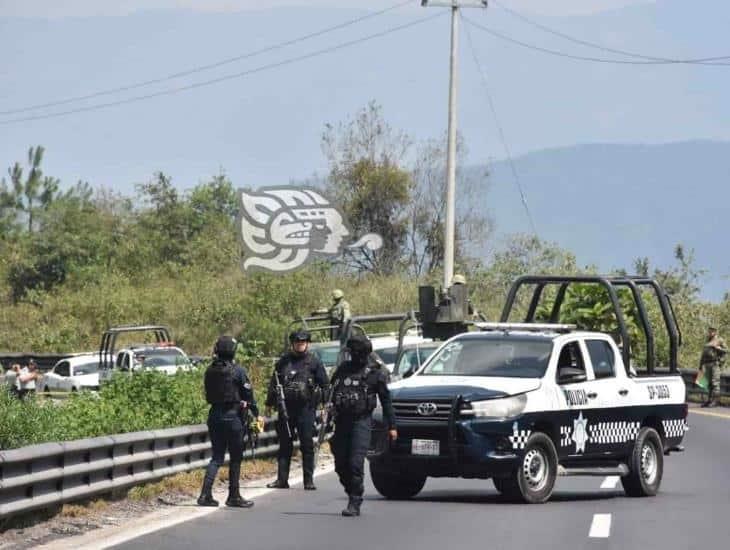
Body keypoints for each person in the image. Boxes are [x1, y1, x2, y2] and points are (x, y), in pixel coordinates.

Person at [330, 333, 397, 517]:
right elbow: (329, 392)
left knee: (355, 462)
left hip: (362, 422)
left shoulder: (375, 373)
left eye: (352, 352)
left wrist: (392, 426)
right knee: (340, 463)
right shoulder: (343, 370)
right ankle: (351, 489)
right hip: (342, 422)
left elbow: (387, 402)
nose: (350, 355)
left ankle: (355, 499)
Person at [198, 335, 260, 508]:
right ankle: (234, 495)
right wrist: (256, 412)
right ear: (233, 351)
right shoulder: (238, 371)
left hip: (214, 416)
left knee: (216, 457)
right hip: (233, 418)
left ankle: (205, 494)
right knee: (235, 458)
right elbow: (249, 396)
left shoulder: (209, 370)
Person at [265, 330, 328, 490]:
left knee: (307, 445)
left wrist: (325, 406)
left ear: (307, 343)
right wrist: (269, 404)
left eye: (303, 342)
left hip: (306, 409)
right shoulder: (283, 362)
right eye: (297, 342)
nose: (300, 345)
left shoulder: (314, 362)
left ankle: (308, 480)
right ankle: (282, 480)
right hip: (286, 410)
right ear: (292, 343)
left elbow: (325, 385)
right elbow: (274, 384)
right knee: (285, 445)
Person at [700, 327, 727, 407]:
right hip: (707, 364)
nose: (710, 332)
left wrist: (720, 361)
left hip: (714, 364)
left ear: (715, 332)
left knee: (715, 383)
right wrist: (701, 365)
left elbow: (726, 351)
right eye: (709, 330)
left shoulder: (719, 340)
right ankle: (709, 400)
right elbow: (703, 354)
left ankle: (715, 401)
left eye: (712, 331)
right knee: (708, 383)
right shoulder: (707, 340)